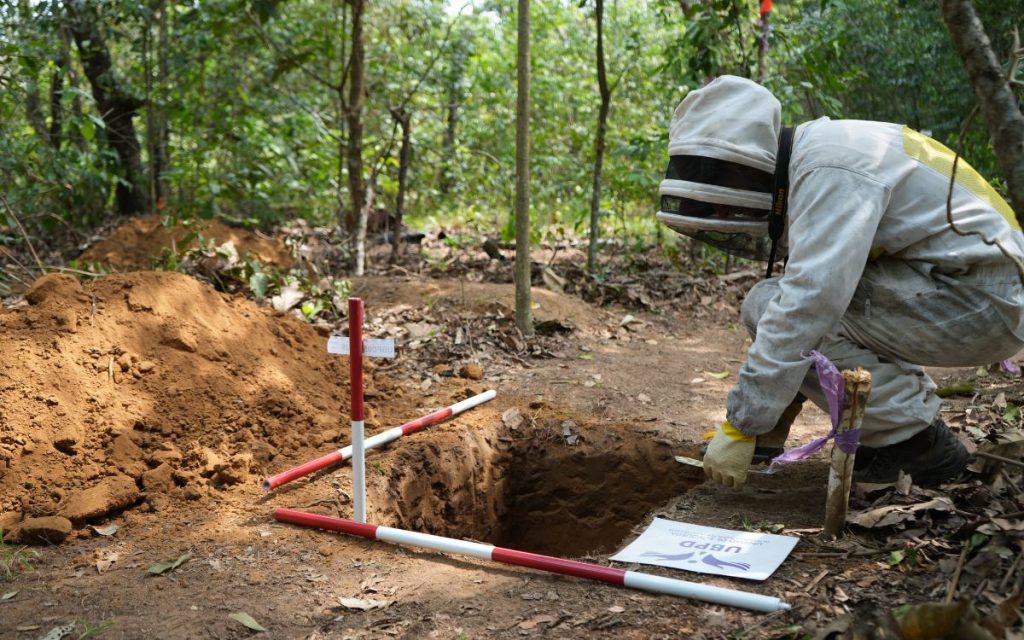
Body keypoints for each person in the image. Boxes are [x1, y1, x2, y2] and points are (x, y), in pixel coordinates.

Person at [656, 75, 1024, 489]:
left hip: (981, 301)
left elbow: (808, 304)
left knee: (774, 306)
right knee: (773, 302)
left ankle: (917, 443)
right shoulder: (821, 152)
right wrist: (771, 417)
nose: (721, 212)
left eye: (717, 175)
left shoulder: (828, 170)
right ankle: (888, 431)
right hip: (967, 290)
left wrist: (743, 424)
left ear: (746, 162)